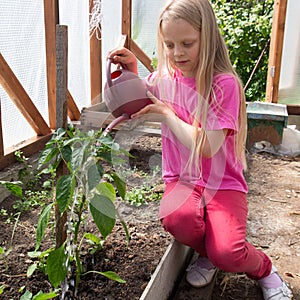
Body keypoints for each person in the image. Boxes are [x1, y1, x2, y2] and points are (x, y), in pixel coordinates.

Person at [108, 0, 293, 299]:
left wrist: (167, 114)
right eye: (169, 45)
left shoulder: (224, 85)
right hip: (182, 179)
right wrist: (131, 70)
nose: (177, 53)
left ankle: (263, 269)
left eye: (187, 43)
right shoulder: (165, 78)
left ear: (207, 37)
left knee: (230, 253)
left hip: (223, 185)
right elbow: (142, 93)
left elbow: (207, 146)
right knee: (176, 219)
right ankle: (208, 253)